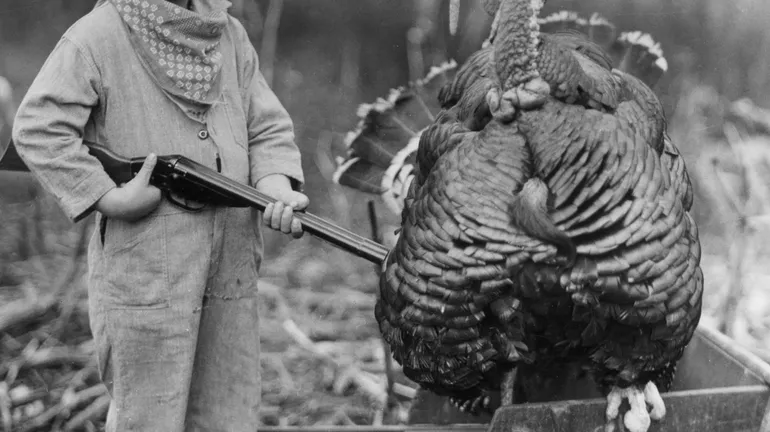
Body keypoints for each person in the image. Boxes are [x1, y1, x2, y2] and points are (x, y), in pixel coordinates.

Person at [11, 0, 307, 430]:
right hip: (146, 273)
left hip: (231, 268)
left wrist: (275, 185)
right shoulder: (97, 36)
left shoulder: (228, 33)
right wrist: (108, 198)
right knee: (150, 413)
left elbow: (267, 127)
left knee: (228, 405)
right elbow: (38, 129)